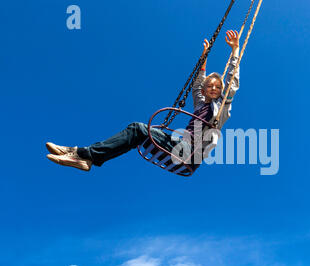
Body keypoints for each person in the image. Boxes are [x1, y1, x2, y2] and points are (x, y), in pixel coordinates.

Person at [46, 30, 240, 172]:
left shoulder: (221, 107)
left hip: (190, 154)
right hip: (181, 147)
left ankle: (83, 153)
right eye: (211, 86)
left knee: (139, 129)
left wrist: (235, 50)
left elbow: (232, 80)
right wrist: (204, 57)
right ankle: (85, 156)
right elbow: (198, 82)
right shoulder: (200, 103)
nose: (214, 88)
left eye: (218, 87)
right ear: (206, 90)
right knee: (136, 130)